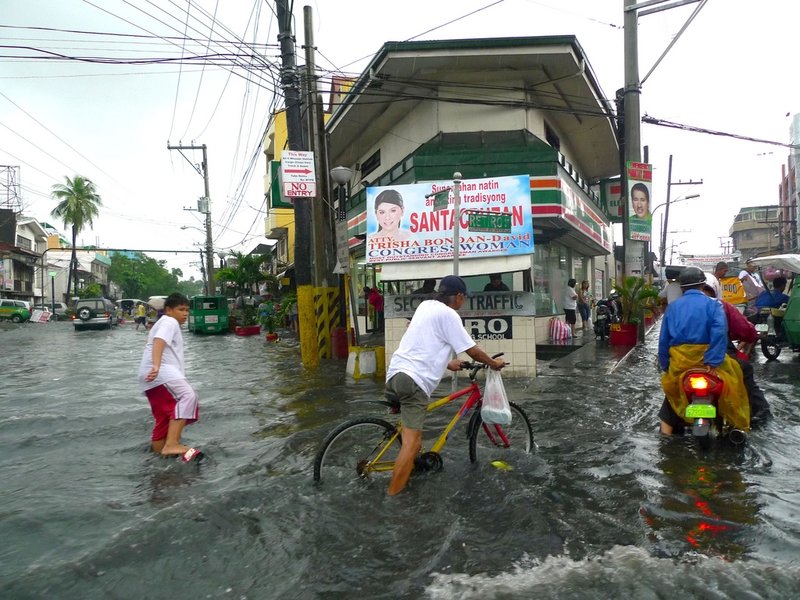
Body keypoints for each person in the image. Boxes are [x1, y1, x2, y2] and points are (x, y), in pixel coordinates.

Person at [384, 275, 506, 495]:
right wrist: (493, 363)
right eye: (464, 298)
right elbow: (472, 350)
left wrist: (448, 364)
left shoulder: (425, 306)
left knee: (412, 438)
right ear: (458, 296)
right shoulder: (449, 314)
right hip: (413, 381)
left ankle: (412, 469)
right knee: (412, 443)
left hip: (395, 375)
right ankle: (393, 498)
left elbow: (424, 341)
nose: (463, 302)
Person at [657, 267, 749, 435]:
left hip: (680, 363)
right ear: (702, 285)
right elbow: (719, 333)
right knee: (735, 382)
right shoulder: (714, 305)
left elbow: (664, 341)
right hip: (709, 363)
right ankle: (735, 427)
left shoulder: (673, 308)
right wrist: (713, 361)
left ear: (682, 287)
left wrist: (666, 365)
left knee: (672, 391)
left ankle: (665, 436)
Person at [137, 292, 203, 462]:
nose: (185, 314)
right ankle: (172, 444)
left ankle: (160, 456)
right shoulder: (169, 321)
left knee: (164, 418)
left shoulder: (161, 322)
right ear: (168, 310)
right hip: (161, 373)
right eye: (181, 309)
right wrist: (157, 366)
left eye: (187, 310)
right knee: (188, 396)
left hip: (150, 378)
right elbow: (159, 341)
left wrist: (154, 366)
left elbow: (150, 343)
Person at [699, 280, 771, 425]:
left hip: (686, 360)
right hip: (721, 357)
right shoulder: (722, 306)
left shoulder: (679, 308)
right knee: (746, 369)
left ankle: (668, 426)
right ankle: (761, 410)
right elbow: (746, 330)